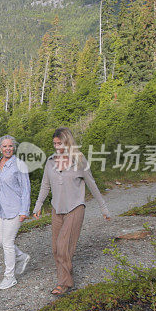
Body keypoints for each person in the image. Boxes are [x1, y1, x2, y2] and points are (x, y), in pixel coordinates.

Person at [32, 127, 111, 296]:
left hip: (75, 208)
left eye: (59, 143)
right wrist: (38, 205)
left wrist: (103, 207)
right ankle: (66, 277)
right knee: (55, 248)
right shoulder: (51, 161)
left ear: (67, 142)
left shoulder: (79, 161)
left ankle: (64, 283)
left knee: (63, 246)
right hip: (56, 209)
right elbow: (45, 185)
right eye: (54, 143)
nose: (56, 146)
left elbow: (92, 184)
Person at [0, 135, 31, 290]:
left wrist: (24, 211)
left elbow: (26, 190)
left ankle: (9, 277)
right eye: (4, 146)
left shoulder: (19, 164)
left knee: (7, 243)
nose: (7, 149)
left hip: (14, 209)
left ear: (14, 147)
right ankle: (21, 257)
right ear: (0, 148)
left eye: (10, 146)